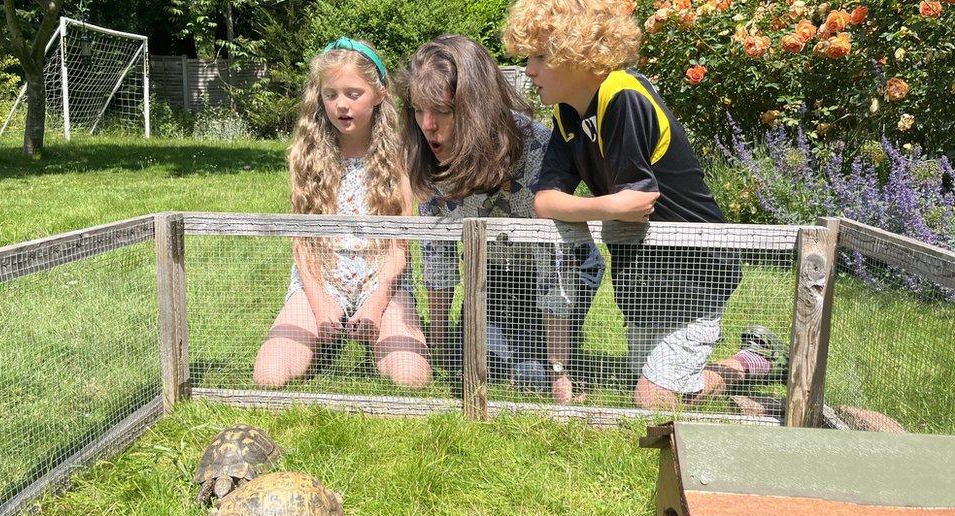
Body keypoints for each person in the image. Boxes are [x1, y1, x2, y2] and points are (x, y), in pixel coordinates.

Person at [502, 0, 788, 409]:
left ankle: (749, 363)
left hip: (696, 274)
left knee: (653, 399)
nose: (529, 70)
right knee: (660, 385)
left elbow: (639, 200)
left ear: (580, 54)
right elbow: (546, 201)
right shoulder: (568, 114)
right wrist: (610, 205)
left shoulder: (623, 97)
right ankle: (753, 358)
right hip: (644, 282)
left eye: (540, 57)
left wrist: (597, 206)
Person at [396, 34, 605, 405]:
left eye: (442, 111)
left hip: (562, 269)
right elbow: (438, 253)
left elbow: (555, 265)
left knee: (532, 376)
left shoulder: (536, 151)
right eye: (417, 109)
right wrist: (441, 346)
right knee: (472, 364)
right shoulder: (428, 155)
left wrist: (560, 370)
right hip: (494, 271)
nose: (427, 125)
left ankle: (546, 354)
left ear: (476, 107)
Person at [254, 37, 431, 389]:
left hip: (382, 281)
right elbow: (302, 242)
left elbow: (400, 247)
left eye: (353, 94)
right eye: (331, 94)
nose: (341, 105)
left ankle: (364, 326)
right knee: (269, 375)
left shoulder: (399, 157)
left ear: (379, 94)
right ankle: (327, 333)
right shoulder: (306, 156)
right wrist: (319, 303)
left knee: (411, 377)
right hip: (322, 281)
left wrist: (377, 303)